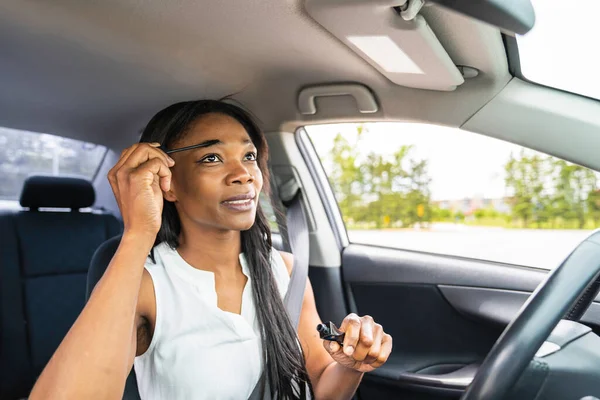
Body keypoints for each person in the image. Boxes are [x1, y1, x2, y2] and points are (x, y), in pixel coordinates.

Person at [29, 99, 393, 399]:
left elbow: (322, 388)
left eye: (249, 157)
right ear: (167, 183)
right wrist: (138, 232)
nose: (244, 174)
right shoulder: (147, 286)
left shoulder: (286, 270)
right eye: (212, 158)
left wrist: (349, 366)